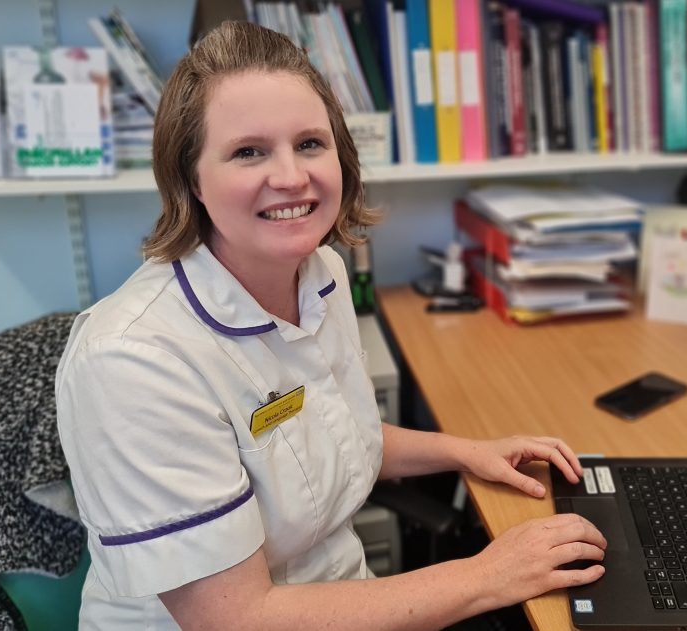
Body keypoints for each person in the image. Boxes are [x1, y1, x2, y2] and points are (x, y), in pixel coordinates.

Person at [55, 20, 606, 630]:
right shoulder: (134, 360)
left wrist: (465, 452)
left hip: (349, 601)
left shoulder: (319, 273)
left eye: (310, 143)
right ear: (191, 178)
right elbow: (238, 620)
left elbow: (332, 433)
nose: (291, 176)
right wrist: (489, 573)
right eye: (248, 151)